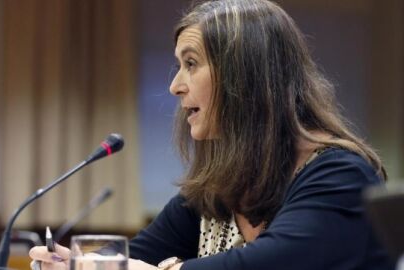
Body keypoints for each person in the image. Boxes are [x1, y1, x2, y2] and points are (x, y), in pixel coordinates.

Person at [29, 0, 394, 269]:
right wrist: (74, 263)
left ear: (245, 76)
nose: (174, 86)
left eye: (190, 64)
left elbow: (272, 264)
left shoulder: (340, 175)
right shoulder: (216, 190)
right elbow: (135, 258)